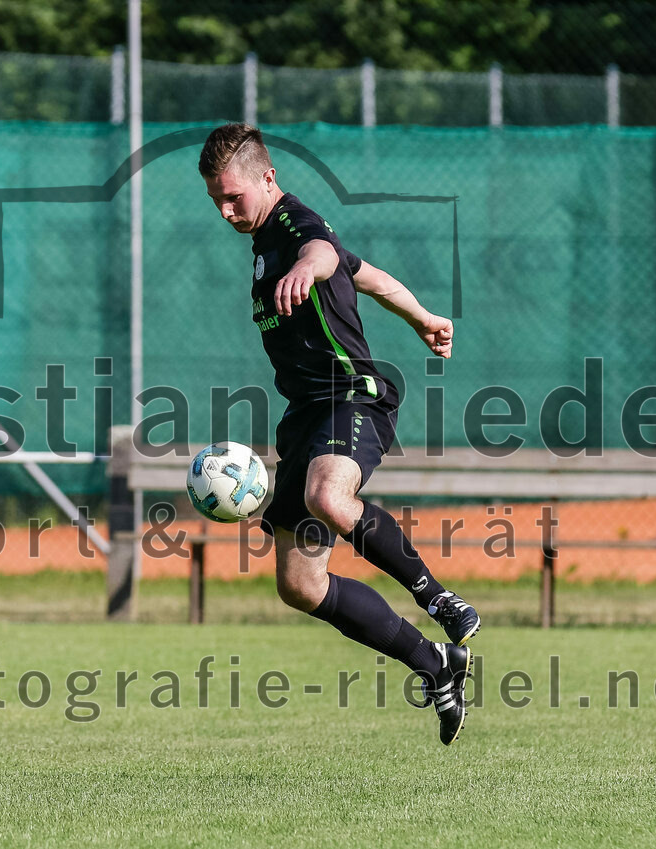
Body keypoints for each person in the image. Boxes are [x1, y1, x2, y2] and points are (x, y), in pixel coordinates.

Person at [198, 123, 480, 745]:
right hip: (304, 417)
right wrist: (424, 318)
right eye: (216, 200)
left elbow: (325, 254)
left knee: (331, 496)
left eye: (233, 197)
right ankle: (436, 667)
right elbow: (366, 273)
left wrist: (306, 265)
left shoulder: (295, 223)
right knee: (299, 585)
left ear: (267, 179)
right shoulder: (264, 239)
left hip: (352, 396)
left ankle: (439, 600)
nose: (225, 210)